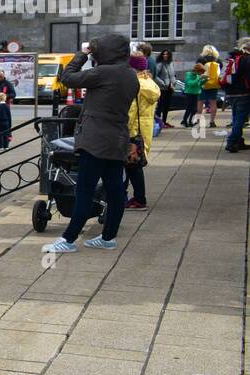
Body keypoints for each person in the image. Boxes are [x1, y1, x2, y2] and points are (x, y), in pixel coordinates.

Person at [42, 34, 139, 254]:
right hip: (117, 139)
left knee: (85, 190)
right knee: (115, 190)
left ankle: (69, 239)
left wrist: (82, 55)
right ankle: (108, 237)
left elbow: (67, 77)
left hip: (95, 140)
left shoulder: (103, 72)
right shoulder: (130, 74)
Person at [124, 54, 160, 211]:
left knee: (127, 166)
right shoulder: (150, 83)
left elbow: (131, 112)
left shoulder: (135, 85)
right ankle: (137, 198)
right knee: (134, 166)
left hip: (133, 130)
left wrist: (124, 131)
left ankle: (136, 199)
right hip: (144, 129)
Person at [223, 38, 250, 153]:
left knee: (236, 118)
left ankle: (239, 141)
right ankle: (231, 142)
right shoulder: (246, 59)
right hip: (243, 93)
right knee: (240, 119)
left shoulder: (231, 58)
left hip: (230, 93)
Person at [154, 49, 176, 129]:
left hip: (170, 88)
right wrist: (163, 83)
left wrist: (173, 83)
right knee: (160, 106)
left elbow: (173, 75)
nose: (165, 55)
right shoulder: (160, 64)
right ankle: (159, 122)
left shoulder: (171, 64)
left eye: (167, 54)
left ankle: (164, 121)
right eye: (164, 54)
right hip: (162, 88)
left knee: (167, 106)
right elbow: (154, 76)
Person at [200, 45, 221, 127]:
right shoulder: (218, 61)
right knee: (213, 103)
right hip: (214, 85)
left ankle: (198, 121)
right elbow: (220, 73)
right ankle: (212, 122)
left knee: (200, 103)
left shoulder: (201, 60)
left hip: (203, 84)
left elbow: (197, 71)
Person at [181, 61, 204, 127]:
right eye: (200, 72)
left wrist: (205, 80)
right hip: (189, 93)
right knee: (189, 108)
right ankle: (184, 121)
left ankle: (190, 120)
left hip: (196, 93)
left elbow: (199, 84)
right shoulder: (189, 74)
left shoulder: (197, 75)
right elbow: (190, 84)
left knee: (194, 109)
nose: (200, 74)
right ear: (197, 70)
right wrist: (199, 78)